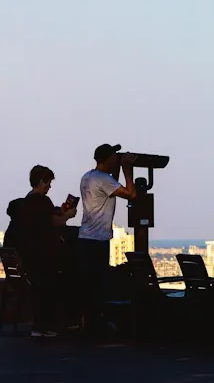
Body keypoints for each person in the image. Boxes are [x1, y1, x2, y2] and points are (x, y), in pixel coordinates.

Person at [4, 165, 77, 338]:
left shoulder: (23, 204)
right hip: (37, 264)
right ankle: (52, 324)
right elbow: (55, 223)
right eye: (49, 182)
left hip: (23, 262)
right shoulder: (42, 202)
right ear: (42, 182)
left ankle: (46, 324)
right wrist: (68, 215)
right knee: (64, 275)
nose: (50, 186)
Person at [77, 144, 137, 337]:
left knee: (88, 284)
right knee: (98, 284)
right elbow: (131, 194)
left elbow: (113, 186)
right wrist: (127, 167)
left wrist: (119, 165)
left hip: (85, 237)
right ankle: (95, 326)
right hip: (98, 239)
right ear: (107, 160)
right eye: (114, 158)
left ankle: (88, 323)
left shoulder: (88, 177)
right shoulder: (103, 180)